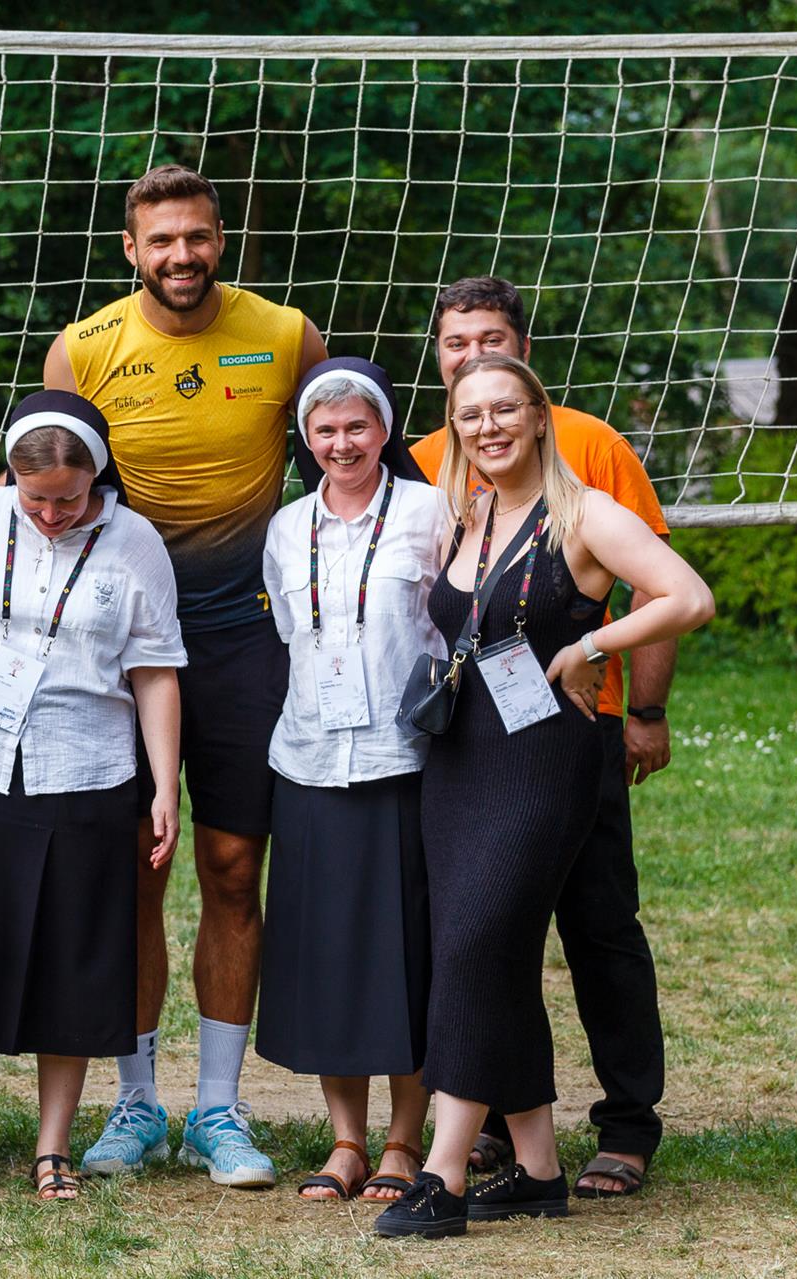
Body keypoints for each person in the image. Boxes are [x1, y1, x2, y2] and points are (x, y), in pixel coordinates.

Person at [374, 354, 712, 1239]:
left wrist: (595, 645)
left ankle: (443, 1172)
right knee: (491, 952)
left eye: (504, 409)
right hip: (459, 760)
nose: (487, 427)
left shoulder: (586, 513)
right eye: (470, 414)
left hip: (544, 761)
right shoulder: (464, 513)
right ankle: (537, 1169)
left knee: (474, 948)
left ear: (536, 415)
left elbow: (688, 595)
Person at [44, 163, 328, 1187]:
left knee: (232, 868)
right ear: (131, 249)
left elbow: (344, 473)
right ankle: (134, 1101)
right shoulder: (84, 349)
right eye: (161, 240)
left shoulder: (285, 336)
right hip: (125, 649)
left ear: (221, 238)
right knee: (133, 870)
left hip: (247, 640)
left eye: (197, 236)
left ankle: (217, 1106)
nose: (181, 255)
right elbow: (44, 494)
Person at [0, 391, 186, 1201]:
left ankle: (53, 1147)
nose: (48, 515)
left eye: (67, 499)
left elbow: (155, 670)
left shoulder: (136, 541)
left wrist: (164, 784)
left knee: (76, 959)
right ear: (11, 477)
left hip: (90, 769)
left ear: (96, 478)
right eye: (35, 498)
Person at [255, 358, 443, 1205]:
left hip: (406, 760)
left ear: (385, 429)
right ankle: (346, 1140)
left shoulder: (430, 511)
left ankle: (405, 1139)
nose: (342, 444)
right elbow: (290, 633)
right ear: (307, 437)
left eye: (357, 427)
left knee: (407, 954)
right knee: (328, 952)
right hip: (309, 760)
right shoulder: (286, 527)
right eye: (325, 430)